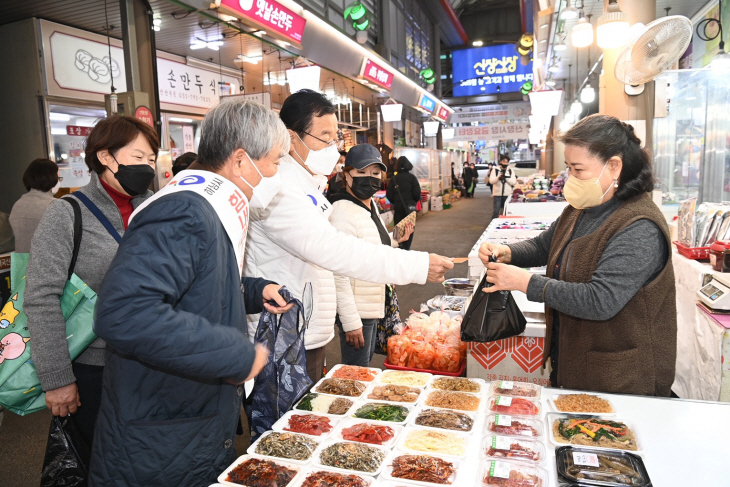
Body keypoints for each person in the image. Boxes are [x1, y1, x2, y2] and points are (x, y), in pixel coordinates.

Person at [89, 100, 292, 485]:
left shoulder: (209, 204)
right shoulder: (185, 210)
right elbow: (125, 312)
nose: (276, 173)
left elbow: (195, 283)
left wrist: (251, 291)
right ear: (240, 160)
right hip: (163, 429)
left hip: (190, 417)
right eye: (275, 160)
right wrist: (236, 354)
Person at [244, 89, 453, 384]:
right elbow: (335, 250)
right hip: (284, 333)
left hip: (304, 329)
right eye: (324, 137)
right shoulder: (281, 189)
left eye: (335, 138)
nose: (333, 147)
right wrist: (418, 265)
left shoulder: (307, 185)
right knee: (288, 425)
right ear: (292, 138)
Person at [478, 114, 676, 397]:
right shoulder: (583, 207)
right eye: (569, 168)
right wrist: (507, 252)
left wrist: (525, 282)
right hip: (576, 360)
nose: (571, 177)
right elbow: (545, 245)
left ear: (615, 166)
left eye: (578, 169)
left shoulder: (639, 226)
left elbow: (601, 300)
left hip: (620, 376)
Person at [24, 115, 158, 474]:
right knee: (103, 465)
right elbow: (40, 298)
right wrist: (57, 379)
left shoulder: (158, 207)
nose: (147, 167)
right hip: (94, 369)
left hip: (155, 362)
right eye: (138, 157)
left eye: (151, 159)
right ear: (105, 157)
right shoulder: (67, 214)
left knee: (149, 463)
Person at [329, 144, 414, 366]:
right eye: (361, 172)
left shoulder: (369, 205)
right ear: (346, 174)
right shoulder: (341, 212)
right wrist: (350, 321)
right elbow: (338, 272)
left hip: (373, 303)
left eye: (375, 173)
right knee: (355, 372)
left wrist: (395, 238)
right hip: (358, 310)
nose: (370, 178)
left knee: (363, 368)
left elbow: (373, 243)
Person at [9, 158, 59, 253]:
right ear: (51, 179)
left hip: (22, 264)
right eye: (58, 178)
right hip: (46, 263)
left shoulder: (17, 205)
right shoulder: (54, 205)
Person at [386, 156, 421, 251]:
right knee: (409, 230)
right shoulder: (412, 178)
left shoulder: (394, 179)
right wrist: (412, 202)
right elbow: (417, 193)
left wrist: (396, 203)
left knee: (398, 231)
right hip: (410, 210)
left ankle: (399, 248)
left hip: (398, 210)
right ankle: (406, 249)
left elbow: (389, 195)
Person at [488, 155, 517, 219]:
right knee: (496, 211)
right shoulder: (495, 170)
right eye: (504, 161)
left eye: (507, 162)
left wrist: (506, 178)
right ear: (501, 161)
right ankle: (494, 224)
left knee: (506, 211)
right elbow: (491, 181)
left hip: (507, 194)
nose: (505, 163)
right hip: (497, 194)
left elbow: (513, 182)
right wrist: (498, 178)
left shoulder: (510, 171)